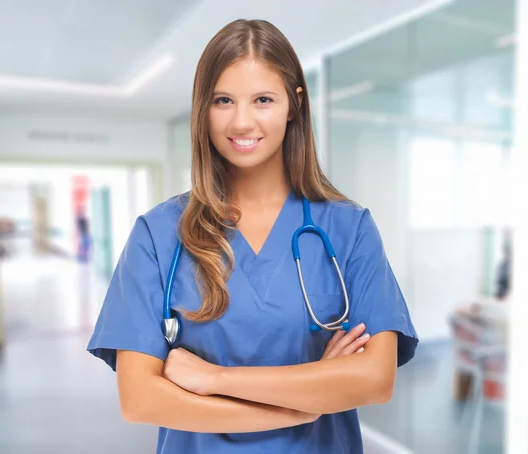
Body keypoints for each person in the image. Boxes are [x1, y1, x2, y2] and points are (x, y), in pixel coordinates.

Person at [87, 19, 418, 454]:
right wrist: (299, 406)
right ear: (202, 108)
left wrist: (214, 379)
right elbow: (139, 398)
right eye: (223, 100)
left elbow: (375, 380)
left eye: (263, 99)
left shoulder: (348, 228)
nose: (242, 122)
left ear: (294, 105)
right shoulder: (159, 234)